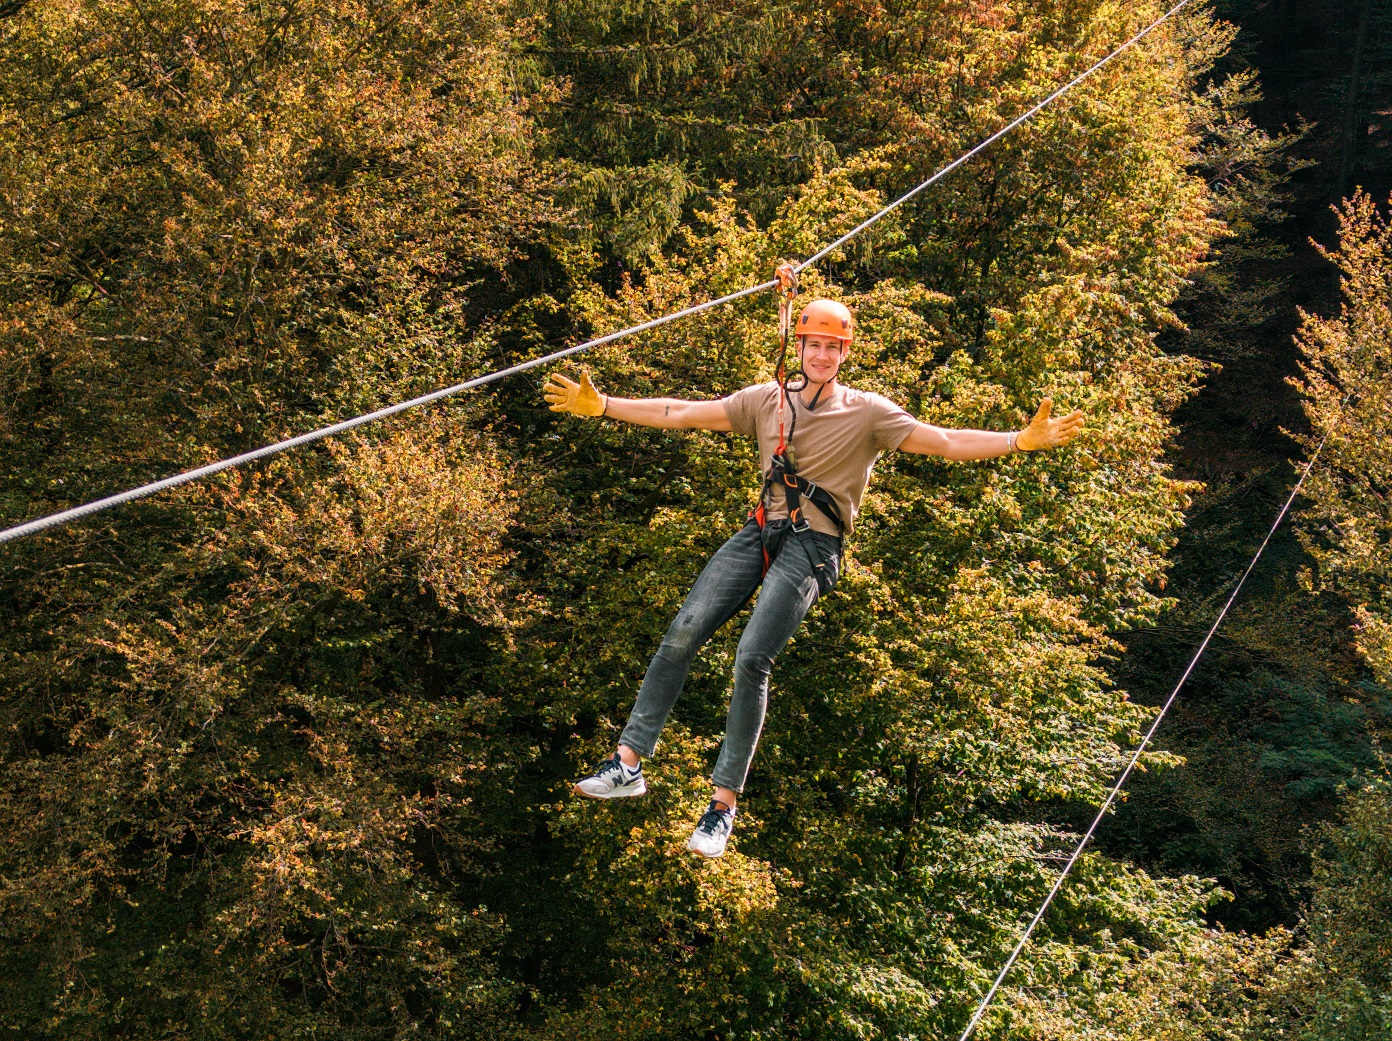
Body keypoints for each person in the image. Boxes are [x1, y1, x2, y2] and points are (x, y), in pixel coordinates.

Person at [543, 298, 1084, 858]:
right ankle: (628, 764)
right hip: (760, 531)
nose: (823, 355)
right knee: (683, 631)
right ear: (798, 347)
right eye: (814, 345)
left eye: (833, 347)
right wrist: (604, 405)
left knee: (752, 658)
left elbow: (943, 442)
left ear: (844, 353)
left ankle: (721, 807)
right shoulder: (766, 401)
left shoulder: (868, 412)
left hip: (814, 545)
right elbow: (679, 412)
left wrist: (1018, 440)